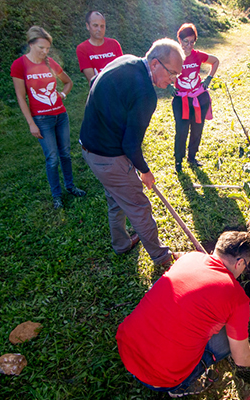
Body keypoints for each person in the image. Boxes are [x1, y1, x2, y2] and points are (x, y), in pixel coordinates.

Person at [116, 231, 250, 398]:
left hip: (126, 347)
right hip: (160, 378)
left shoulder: (190, 258)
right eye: (246, 265)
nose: (244, 269)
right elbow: (241, 358)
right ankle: (179, 388)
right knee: (228, 342)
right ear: (240, 262)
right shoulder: (237, 298)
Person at [79, 39, 184, 266]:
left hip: (89, 147)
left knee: (116, 197)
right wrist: (145, 172)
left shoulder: (126, 60)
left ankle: (121, 244)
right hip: (108, 156)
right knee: (138, 205)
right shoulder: (146, 95)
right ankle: (161, 257)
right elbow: (131, 145)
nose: (173, 81)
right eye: (171, 73)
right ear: (155, 63)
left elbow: (95, 81)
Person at [11, 26, 86, 209]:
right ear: (30, 44)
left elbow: (68, 82)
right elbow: (21, 96)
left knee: (66, 154)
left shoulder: (50, 63)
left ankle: (70, 186)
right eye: (41, 48)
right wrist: (31, 123)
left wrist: (62, 95)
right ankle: (56, 196)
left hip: (60, 115)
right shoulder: (20, 65)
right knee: (52, 157)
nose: (45, 52)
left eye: (47, 49)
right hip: (41, 119)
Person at [167, 23, 220, 173]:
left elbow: (215, 61)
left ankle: (192, 157)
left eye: (192, 42)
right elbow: (160, 69)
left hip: (198, 98)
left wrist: (209, 78)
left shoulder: (197, 55)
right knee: (182, 130)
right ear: (179, 40)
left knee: (197, 129)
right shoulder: (173, 56)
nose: (188, 46)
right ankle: (178, 160)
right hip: (181, 100)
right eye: (185, 41)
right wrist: (168, 85)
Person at [76, 11, 124, 82]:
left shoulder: (114, 44)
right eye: (95, 26)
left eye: (102, 26)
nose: (99, 29)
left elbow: (122, 70)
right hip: (100, 90)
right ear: (87, 26)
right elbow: (92, 80)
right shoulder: (82, 49)